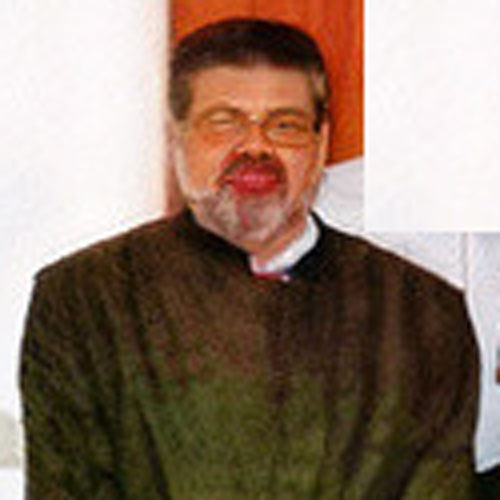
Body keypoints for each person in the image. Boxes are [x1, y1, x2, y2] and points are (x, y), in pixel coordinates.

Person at [20, 18, 498, 499]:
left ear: (321, 143)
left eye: (284, 125)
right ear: (175, 138)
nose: (255, 146)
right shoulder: (84, 301)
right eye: (224, 122)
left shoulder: (424, 312)